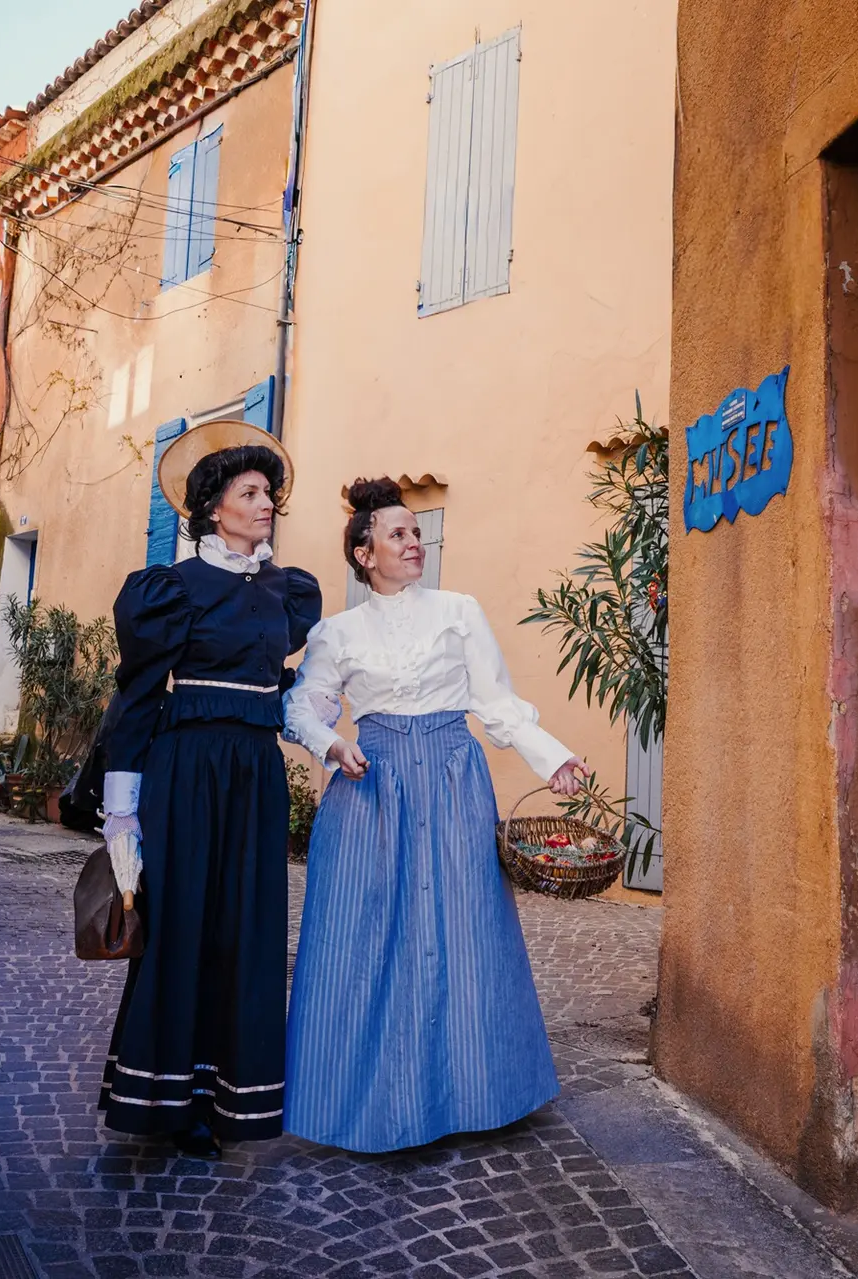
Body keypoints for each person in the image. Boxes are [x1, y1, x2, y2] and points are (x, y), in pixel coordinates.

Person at [281, 478, 589, 1152]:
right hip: (372, 789)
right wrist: (334, 744)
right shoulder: (336, 632)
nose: (414, 543)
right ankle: (358, 1095)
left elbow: (496, 700)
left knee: (464, 928)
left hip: (453, 779)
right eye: (398, 534)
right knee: (361, 935)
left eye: (417, 532)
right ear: (364, 553)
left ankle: (474, 1091)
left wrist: (552, 758)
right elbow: (301, 705)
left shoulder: (459, 610)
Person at [96, 422, 321, 1158]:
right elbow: (136, 695)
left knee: (245, 930)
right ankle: (163, 1101)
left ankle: (234, 1098)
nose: (265, 505)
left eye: (269, 495)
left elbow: (284, 689)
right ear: (213, 506)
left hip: (255, 774)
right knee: (183, 926)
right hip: (187, 771)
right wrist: (122, 805)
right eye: (250, 493)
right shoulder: (170, 589)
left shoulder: (285, 593)